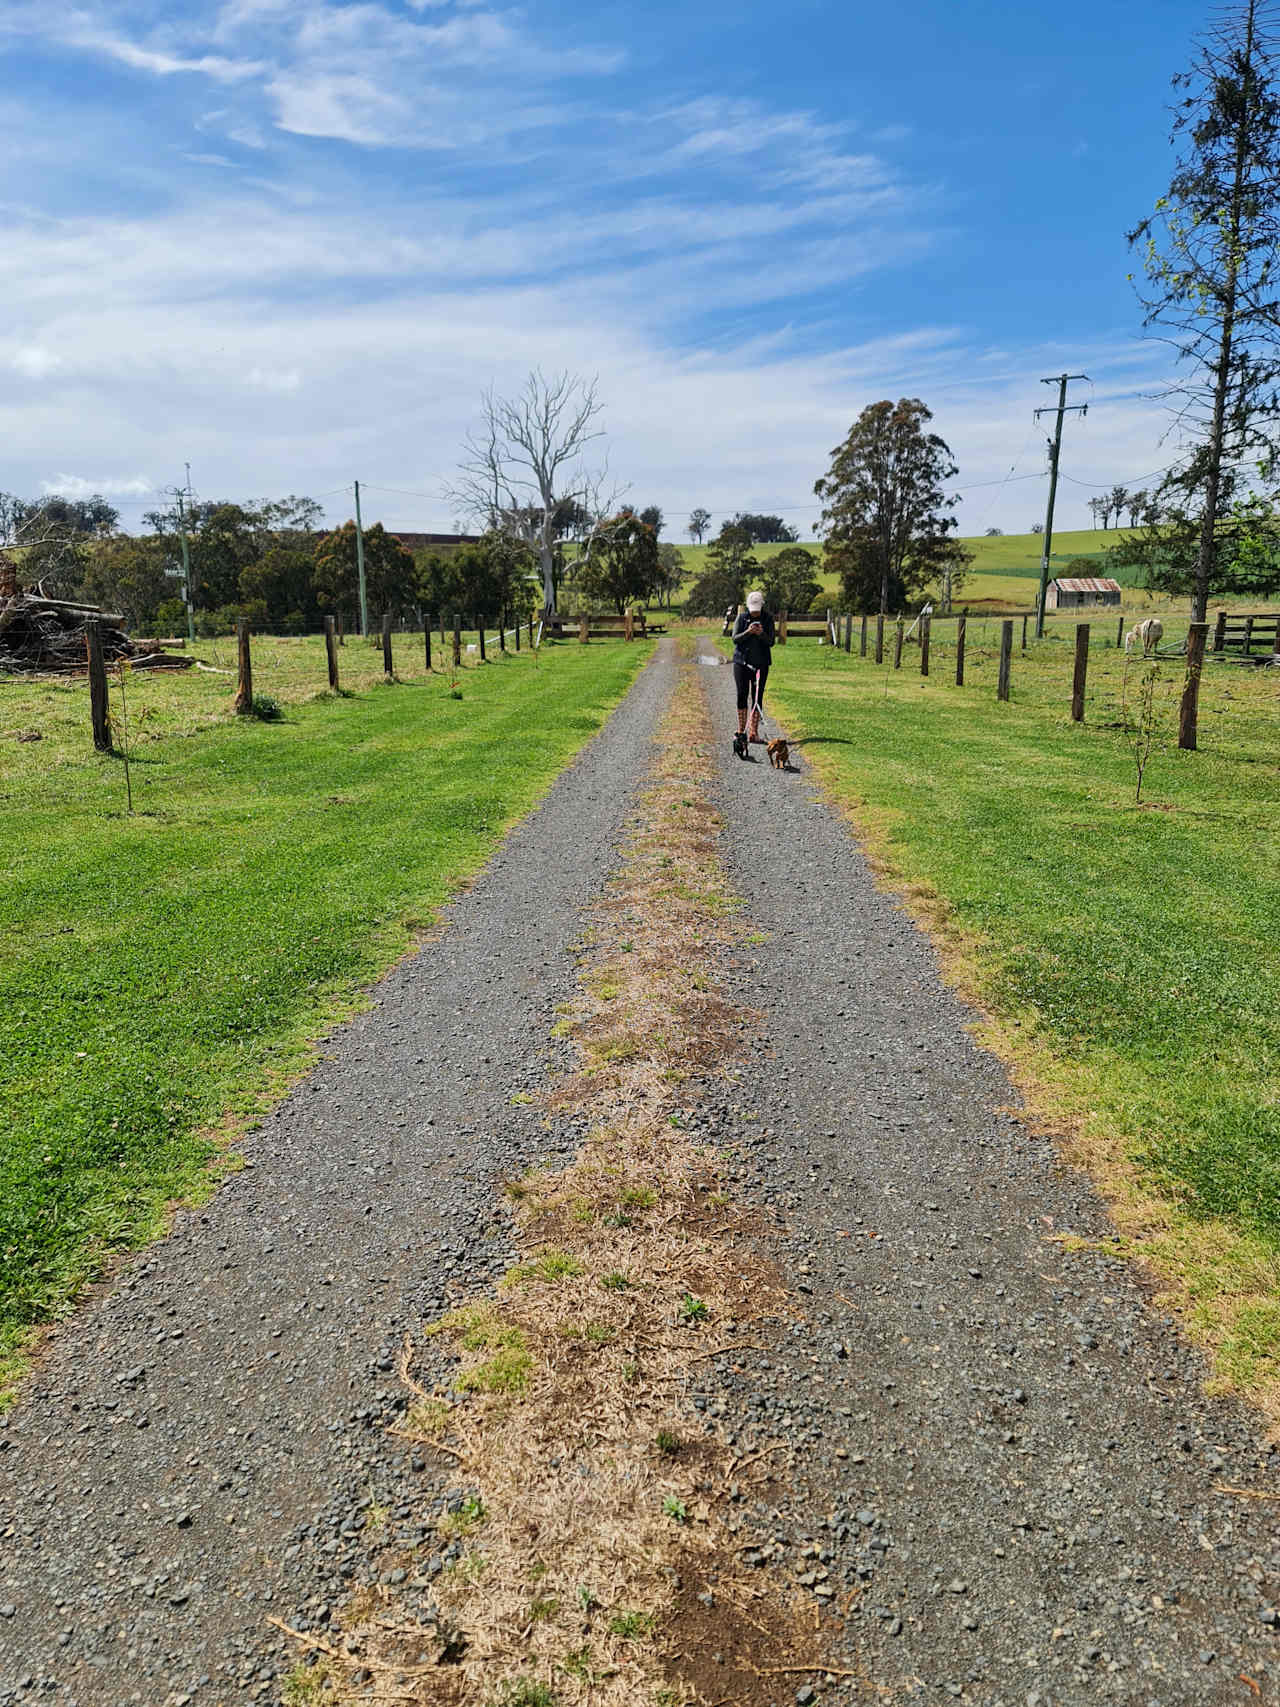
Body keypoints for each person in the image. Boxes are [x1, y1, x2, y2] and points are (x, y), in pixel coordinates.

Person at [731, 589, 775, 758]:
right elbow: (735, 639)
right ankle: (741, 731)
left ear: (762, 606)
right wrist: (748, 632)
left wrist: (761, 633)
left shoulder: (768, 619)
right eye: (752, 609)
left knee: (757, 698)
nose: (755, 612)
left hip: (761, 665)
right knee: (742, 695)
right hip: (741, 663)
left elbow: (771, 642)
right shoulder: (741, 618)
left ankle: (753, 733)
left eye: (757, 609)